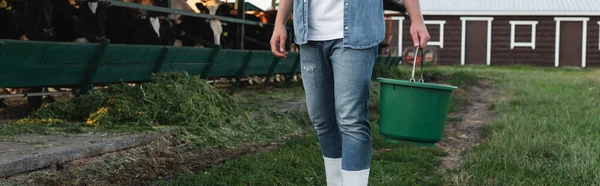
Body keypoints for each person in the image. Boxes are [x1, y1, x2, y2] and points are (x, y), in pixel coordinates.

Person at [270, 0, 430, 185]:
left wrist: (417, 19)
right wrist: (279, 23)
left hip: (357, 31)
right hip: (310, 36)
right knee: (321, 120)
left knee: (351, 119)